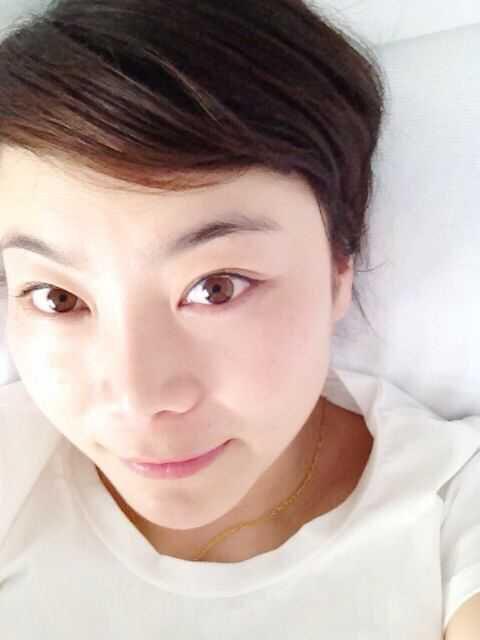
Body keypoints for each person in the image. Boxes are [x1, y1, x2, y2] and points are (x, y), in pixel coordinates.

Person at [3, 1, 478, 638]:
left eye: (216, 288)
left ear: (339, 267)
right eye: (56, 298)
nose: (138, 399)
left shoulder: (451, 503)